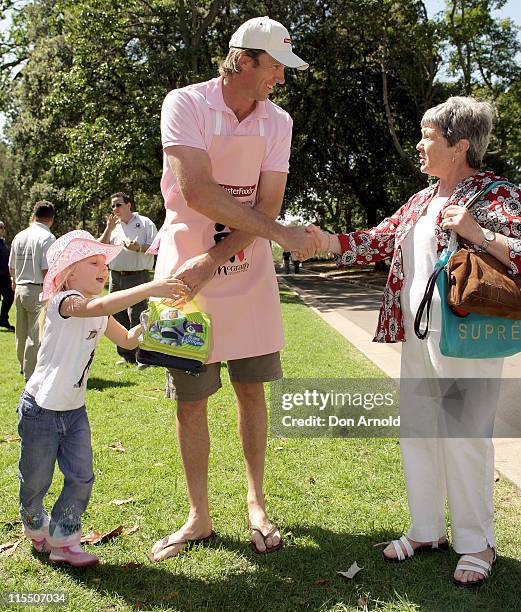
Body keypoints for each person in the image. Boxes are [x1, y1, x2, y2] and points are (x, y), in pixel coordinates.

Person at [307, 96, 521, 587]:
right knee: (421, 431)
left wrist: (478, 234)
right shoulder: (423, 198)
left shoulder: (494, 194)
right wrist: (321, 241)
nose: (419, 145)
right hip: (419, 336)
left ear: (460, 145)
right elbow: (378, 239)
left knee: (464, 436)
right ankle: (426, 529)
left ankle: (477, 543)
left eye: (429, 136)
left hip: (467, 337)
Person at [148, 16, 318, 561]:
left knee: (252, 390)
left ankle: (256, 503)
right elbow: (196, 191)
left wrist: (218, 256)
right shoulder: (186, 103)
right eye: (275, 67)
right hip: (181, 272)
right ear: (243, 60)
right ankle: (199, 515)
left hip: (247, 273)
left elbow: (264, 206)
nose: (281, 80)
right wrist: (282, 235)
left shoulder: (279, 122)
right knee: (190, 401)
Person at [17, 230, 187, 567]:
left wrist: (149, 321)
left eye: (105, 264)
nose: (104, 269)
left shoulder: (96, 309)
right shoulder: (65, 302)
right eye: (94, 262)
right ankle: (34, 520)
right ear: (69, 272)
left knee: (81, 477)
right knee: (36, 479)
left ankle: (64, 540)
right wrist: (151, 286)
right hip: (41, 409)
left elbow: (126, 340)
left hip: (75, 412)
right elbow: (96, 304)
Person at [98, 192, 158, 366]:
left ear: (129, 204)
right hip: (116, 276)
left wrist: (139, 248)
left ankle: (142, 356)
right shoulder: (113, 226)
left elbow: (157, 247)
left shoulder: (145, 223)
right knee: (116, 313)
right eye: (113, 206)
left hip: (138, 275)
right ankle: (126, 354)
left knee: (139, 314)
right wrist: (108, 228)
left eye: (118, 204)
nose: (115, 209)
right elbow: (101, 247)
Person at [9, 201, 56, 380]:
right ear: (51, 219)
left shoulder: (20, 235)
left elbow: (11, 266)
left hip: (20, 287)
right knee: (36, 335)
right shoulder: (47, 238)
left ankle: (22, 365)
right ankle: (31, 374)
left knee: (20, 333)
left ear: (34, 215)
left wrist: (14, 281)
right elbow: (47, 269)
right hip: (37, 288)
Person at [0, 220, 15, 330]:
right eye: (1, 227)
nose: (2, 229)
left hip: (4, 276)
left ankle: (3, 319)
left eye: (3, 227)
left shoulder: (3, 242)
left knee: (10, 296)